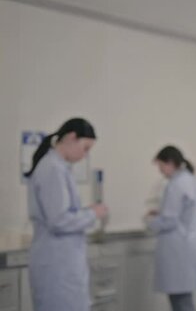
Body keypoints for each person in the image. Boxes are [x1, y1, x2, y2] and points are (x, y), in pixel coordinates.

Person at [25, 118, 109, 311]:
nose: (85, 155)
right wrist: (92, 214)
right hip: (56, 267)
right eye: (85, 148)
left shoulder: (59, 168)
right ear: (71, 138)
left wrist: (85, 212)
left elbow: (63, 213)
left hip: (63, 265)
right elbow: (59, 221)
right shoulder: (52, 169)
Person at [146, 146, 196, 311]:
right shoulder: (190, 180)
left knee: (181, 302)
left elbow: (169, 221)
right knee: (183, 300)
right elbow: (183, 213)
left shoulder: (176, 184)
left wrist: (150, 221)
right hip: (187, 248)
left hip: (177, 251)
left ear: (170, 162)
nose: (161, 171)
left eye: (161, 166)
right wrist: (162, 213)